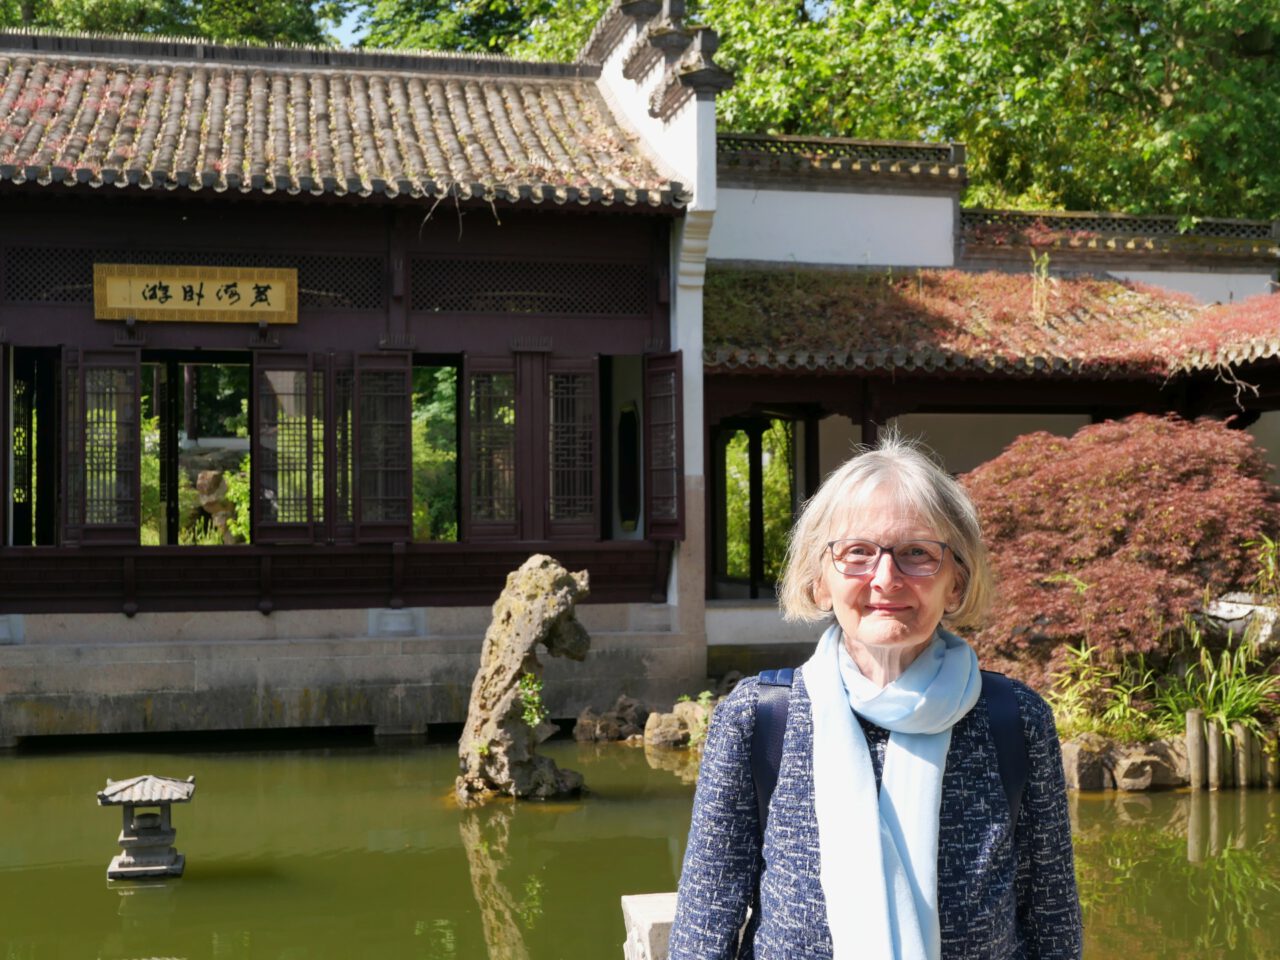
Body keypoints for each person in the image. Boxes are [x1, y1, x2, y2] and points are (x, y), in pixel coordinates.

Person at [668, 436, 1081, 960]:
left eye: (916, 554)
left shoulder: (1015, 720)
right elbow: (703, 930)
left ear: (956, 583)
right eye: (858, 553)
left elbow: (1053, 927)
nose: (885, 578)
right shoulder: (759, 719)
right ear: (820, 582)